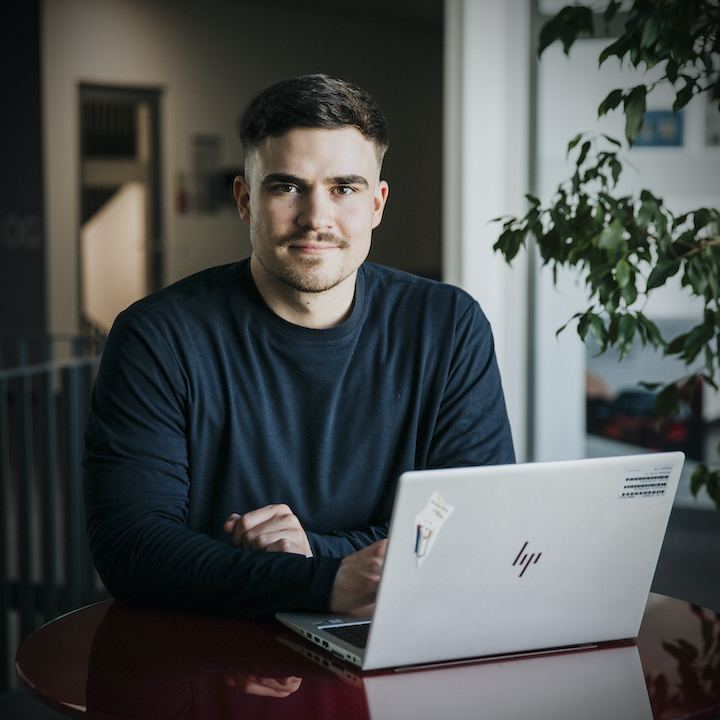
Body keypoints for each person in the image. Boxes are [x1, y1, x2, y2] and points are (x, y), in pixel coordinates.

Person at [83, 74, 515, 620]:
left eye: (344, 188)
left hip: (392, 639)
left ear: (377, 204)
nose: (316, 218)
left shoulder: (449, 326)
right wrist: (325, 581)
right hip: (214, 658)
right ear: (245, 201)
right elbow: (132, 549)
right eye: (287, 186)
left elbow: (472, 522)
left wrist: (316, 558)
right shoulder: (158, 338)